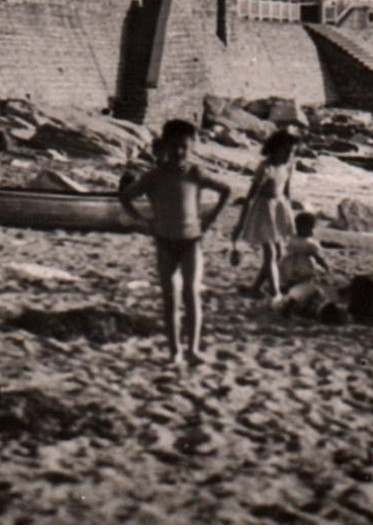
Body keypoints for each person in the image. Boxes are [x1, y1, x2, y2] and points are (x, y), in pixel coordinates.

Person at [118, 119, 234, 364]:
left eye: (184, 146)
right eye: (174, 146)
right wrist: (143, 221)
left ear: (191, 146)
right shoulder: (154, 176)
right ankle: (174, 353)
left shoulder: (195, 173)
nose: (179, 151)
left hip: (191, 242)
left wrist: (209, 220)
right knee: (170, 299)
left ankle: (192, 349)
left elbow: (226, 191)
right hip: (164, 242)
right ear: (165, 146)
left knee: (191, 295)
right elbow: (126, 197)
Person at [232, 130, 299, 298]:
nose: (289, 155)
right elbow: (250, 197)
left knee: (280, 254)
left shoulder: (289, 166)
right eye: (286, 151)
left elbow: (287, 192)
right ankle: (275, 293)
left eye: (292, 152)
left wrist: (290, 215)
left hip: (279, 209)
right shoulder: (265, 168)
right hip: (264, 211)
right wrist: (241, 223)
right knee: (270, 253)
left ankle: (255, 288)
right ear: (275, 148)